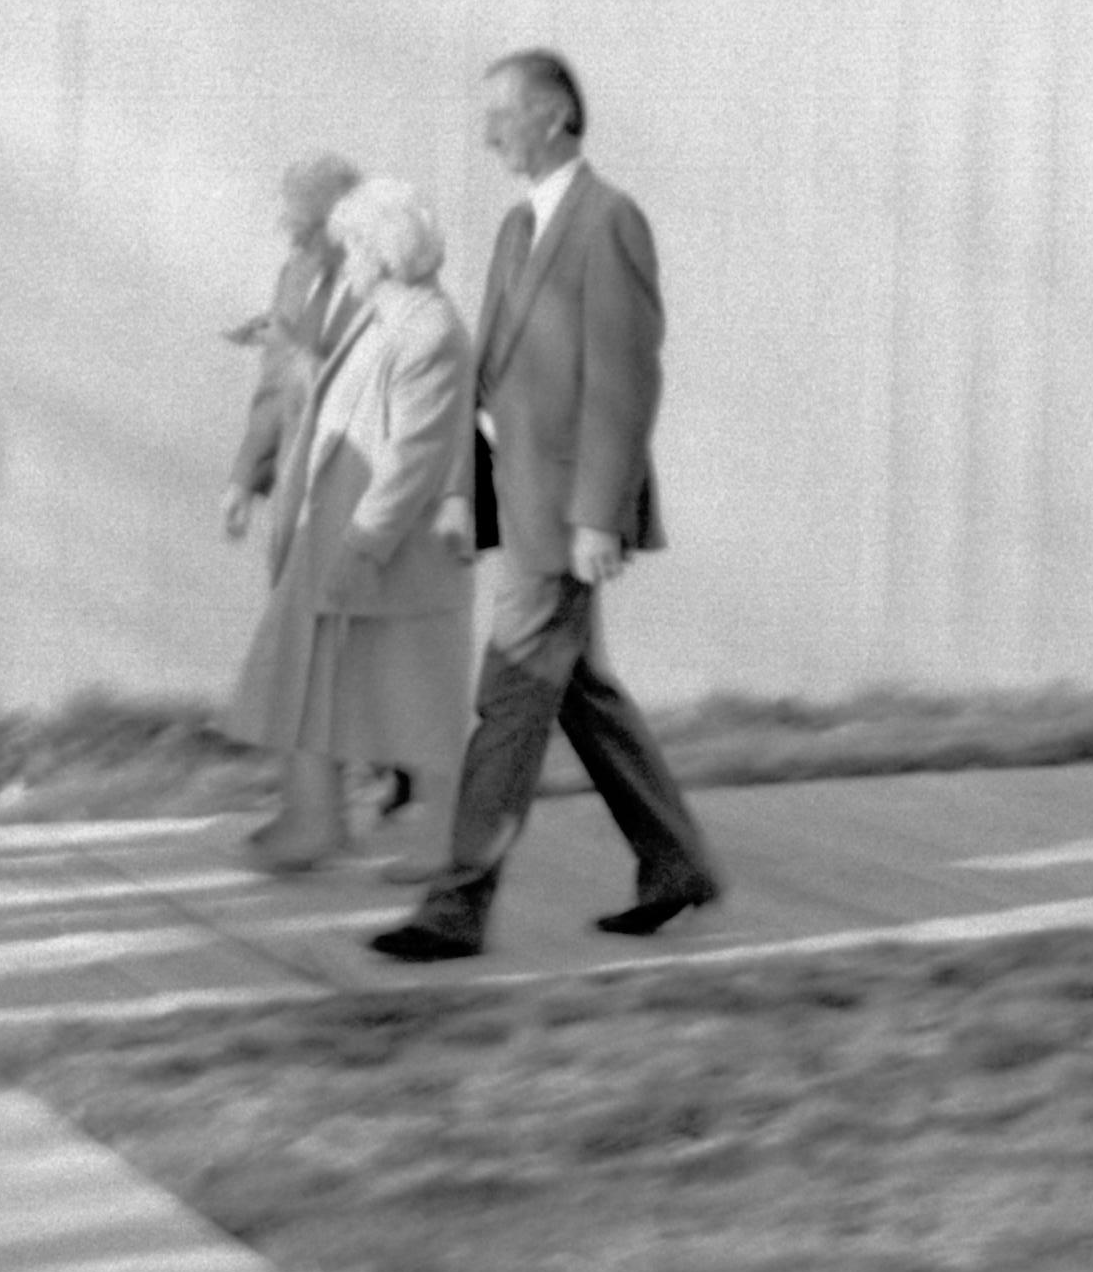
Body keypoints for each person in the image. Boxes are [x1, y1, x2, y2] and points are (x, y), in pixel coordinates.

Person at [371, 50, 721, 963]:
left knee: (512, 696)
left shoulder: (611, 222)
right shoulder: (516, 230)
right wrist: (460, 493)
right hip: (522, 505)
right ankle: (674, 861)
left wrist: (600, 515)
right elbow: (486, 379)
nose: (488, 133)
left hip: (568, 514)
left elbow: (625, 376)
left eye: (504, 113)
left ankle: (457, 906)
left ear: (558, 114)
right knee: (582, 697)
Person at [222, 178, 478, 877]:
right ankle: (317, 824)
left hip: (393, 551)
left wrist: (362, 546)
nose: (346, 257)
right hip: (341, 532)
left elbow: (412, 459)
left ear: (380, 250)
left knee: (417, 697)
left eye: (353, 244)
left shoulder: (426, 327)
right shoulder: (384, 315)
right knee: (327, 683)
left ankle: (445, 841)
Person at [221, 152, 363, 542]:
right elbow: (275, 388)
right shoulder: (295, 272)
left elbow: (367, 398)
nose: (292, 237)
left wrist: (295, 351)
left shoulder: (384, 290)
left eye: (304, 226)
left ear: (343, 223)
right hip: (292, 497)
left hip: (358, 505)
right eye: (288, 221)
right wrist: (244, 481)